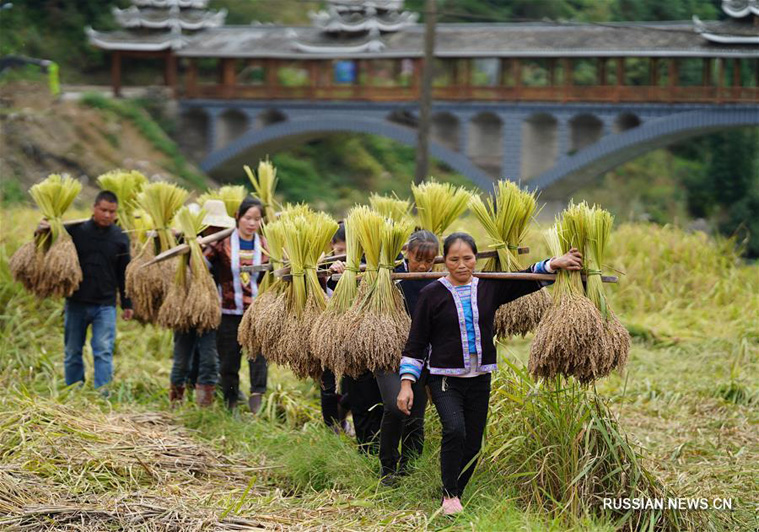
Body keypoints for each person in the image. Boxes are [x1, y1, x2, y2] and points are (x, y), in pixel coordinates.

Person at [397, 232, 582, 515]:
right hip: (444, 377)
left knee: (473, 442)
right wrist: (407, 384)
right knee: (454, 430)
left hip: (480, 377)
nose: (462, 265)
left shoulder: (487, 287)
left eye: (468, 258)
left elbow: (525, 280)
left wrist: (555, 263)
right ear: (444, 261)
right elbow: (416, 342)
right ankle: (449, 496)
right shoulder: (431, 294)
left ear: (475, 258)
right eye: (454, 259)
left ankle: (455, 489)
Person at [36, 190, 133, 390]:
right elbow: (47, 249)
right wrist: (41, 231)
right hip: (76, 302)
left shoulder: (120, 237)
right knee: (72, 351)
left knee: (103, 350)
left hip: (105, 306)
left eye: (112, 212)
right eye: (104, 210)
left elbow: (124, 273)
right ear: (94, 208)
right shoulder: (76, 231)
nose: (107, 215)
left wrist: (127, 304)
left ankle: (102, 394)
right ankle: (73, 390)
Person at [375, 230, 438, 483]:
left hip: (421, 356)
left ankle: (409, 469)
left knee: (416, 414)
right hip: (389, 353)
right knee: (395, 406)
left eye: (429, 260)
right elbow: (353, 285)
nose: (422, 265)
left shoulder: (437, 282)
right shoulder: (388, 276)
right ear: (406, 253)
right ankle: (387, 467)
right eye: (417, 259)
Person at [204, 197, 269, 412]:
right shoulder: (222, 244)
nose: (252, 223)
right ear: (238, 217)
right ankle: (230, 404)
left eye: (257, 219)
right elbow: (202, 263)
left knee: (258, 360)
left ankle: (256, 408)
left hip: (256, 313)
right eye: (248, 218)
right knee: (229, 361)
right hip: (229, 312)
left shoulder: (267, 246)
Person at [168, 200, 232, 408]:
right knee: (181, 360)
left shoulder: (225, 249)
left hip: (210, 312)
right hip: (184, 309)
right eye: (212, 226)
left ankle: (204, 407)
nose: (216, 230)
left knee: (209, 360)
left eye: (219, 227)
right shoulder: (187, 244)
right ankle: (175, 404)